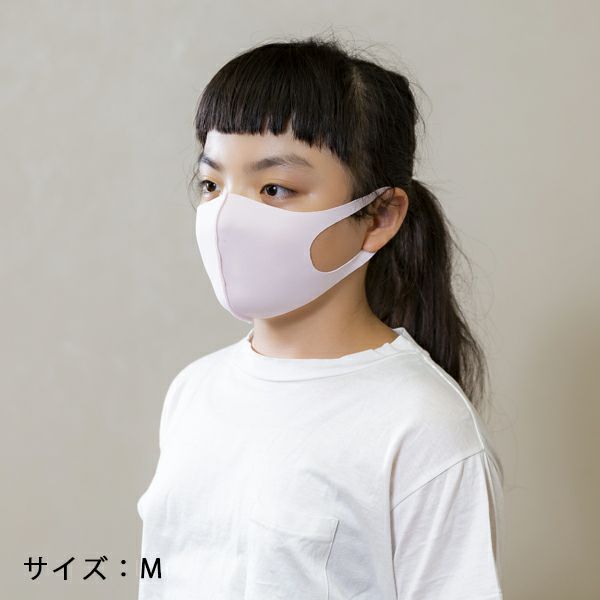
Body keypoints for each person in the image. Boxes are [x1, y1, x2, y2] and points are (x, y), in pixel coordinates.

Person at [137, 34, 505, 600]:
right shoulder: (193, 391)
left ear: (379, 216)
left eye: (275, 188)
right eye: (212, 184)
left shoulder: (423, 427)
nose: (226, 217)